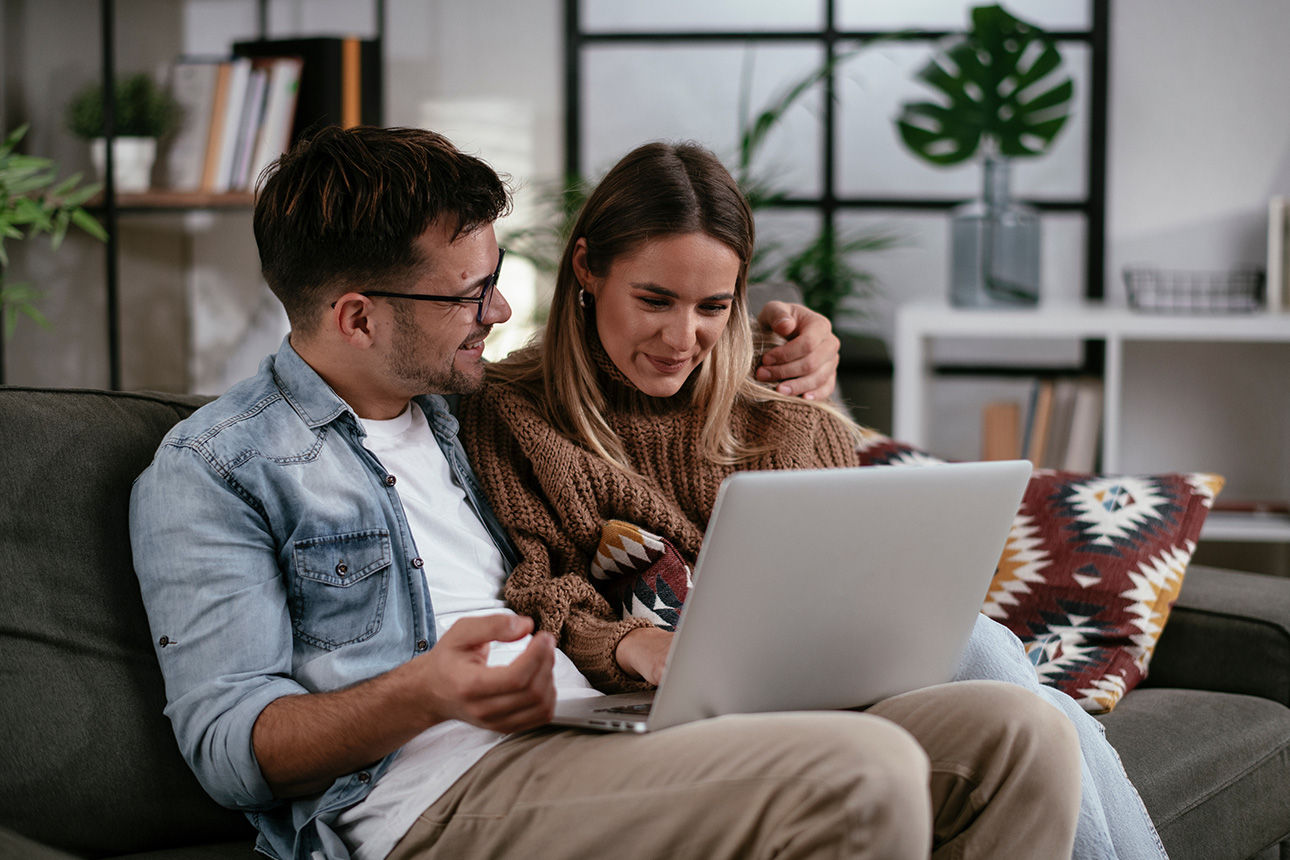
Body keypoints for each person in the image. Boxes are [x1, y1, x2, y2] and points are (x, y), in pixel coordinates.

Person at [129, 125, 1082, 860]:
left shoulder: (477, 408)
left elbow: (647, 381)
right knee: (863, 769)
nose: (501, 309)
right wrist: (424, 691)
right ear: (356, 317)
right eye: (469, 295)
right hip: (436, 795)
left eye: (495, 279)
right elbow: (229, 750)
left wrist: (794, 349)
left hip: (608, 728)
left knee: (1018, 732)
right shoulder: (219, 467)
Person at [457, 140, 1168, 860]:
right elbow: (538, 591)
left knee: (999, 673)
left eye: (713, 307)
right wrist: (630, 644)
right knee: (1008, 677)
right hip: (689, 713)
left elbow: (850, 573)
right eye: (654, 300)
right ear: (586, 268)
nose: (682, 338)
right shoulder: (510, 413)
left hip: (832, 678)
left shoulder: (781, 413)